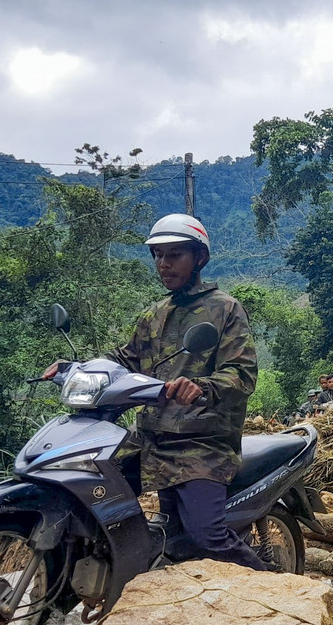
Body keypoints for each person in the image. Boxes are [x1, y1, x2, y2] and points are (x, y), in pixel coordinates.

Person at [65, 213, 266, 570]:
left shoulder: (226, 309)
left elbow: (242, 372)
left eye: (175, 255)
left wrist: (201, 386)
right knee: (85, 487)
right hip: (151, 439)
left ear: (199, 258)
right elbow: (125, 359)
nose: (164, 264)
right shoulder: (154, 314)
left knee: (207, 535)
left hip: (202, 443)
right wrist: (75, 367)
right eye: (158, 255)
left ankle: (274, 588)